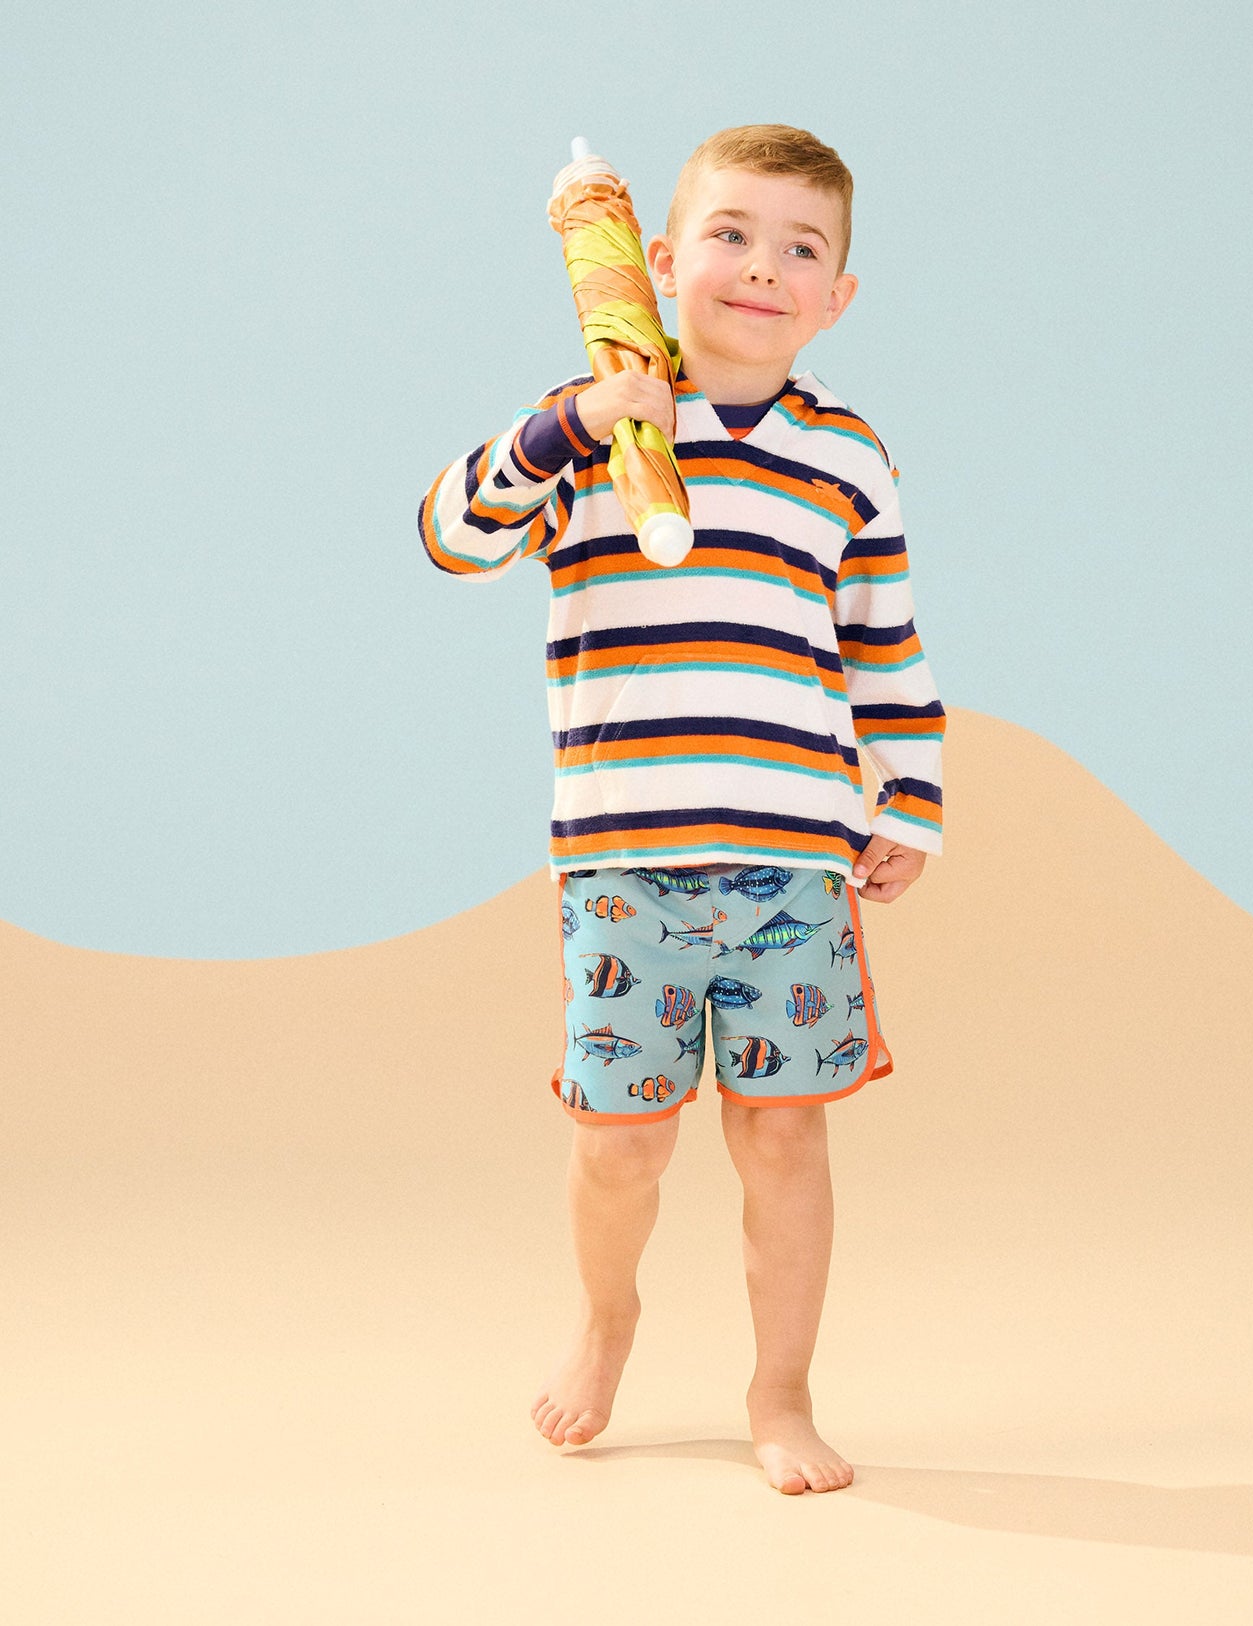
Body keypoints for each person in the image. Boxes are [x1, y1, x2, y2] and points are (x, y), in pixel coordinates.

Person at [416, 125, 946, 1495]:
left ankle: (780, 1391)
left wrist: (914, 801)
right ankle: (609, 1317)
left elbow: (881, 647)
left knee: (784, 1133)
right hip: (622, 868)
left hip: (790, 868)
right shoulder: (594, 429)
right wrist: (565, 428)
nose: (760, 266)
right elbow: (453, 539)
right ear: (660, 260)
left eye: (800, 247)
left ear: (837, 294)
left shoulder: (848, 457)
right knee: (620, 1139)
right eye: (729, 233)